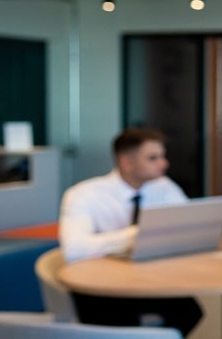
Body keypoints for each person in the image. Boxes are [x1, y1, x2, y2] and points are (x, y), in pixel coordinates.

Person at [58, 128, 203, 336]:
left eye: (163, 156)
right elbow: (74, 250)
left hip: (150, 281)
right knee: (123, 326)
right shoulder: (83, 195)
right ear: (126, 163)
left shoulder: (164, 187)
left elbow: (188, 227)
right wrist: (135, 235)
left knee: (189, 312)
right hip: (98, 287)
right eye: (153, 158)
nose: (164, 164)